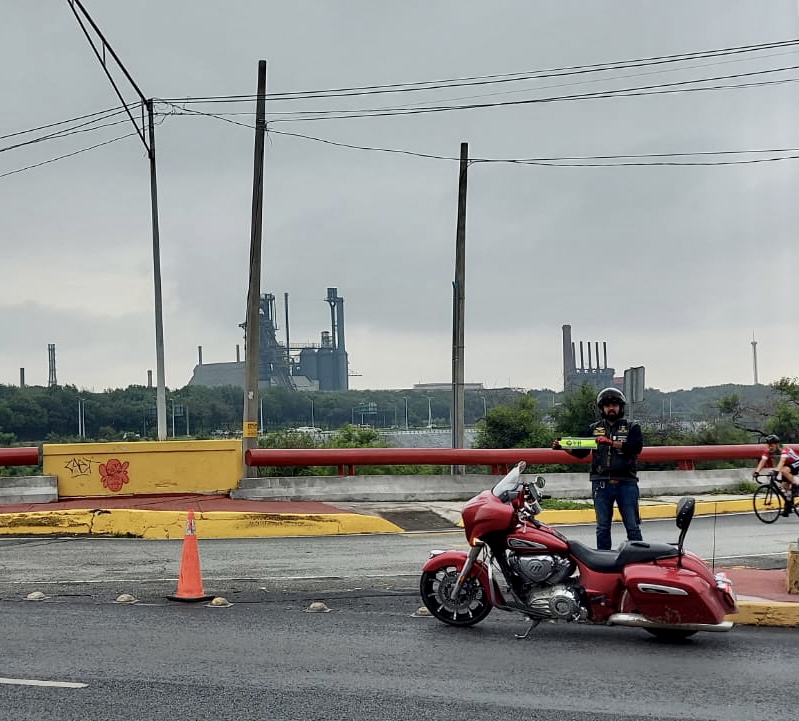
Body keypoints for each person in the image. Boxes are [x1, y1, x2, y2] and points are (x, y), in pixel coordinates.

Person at [552, 387, 644, 550]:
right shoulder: (593, 428)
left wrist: (611, 443)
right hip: (601, 483)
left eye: (615, 405)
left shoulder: (632, 427)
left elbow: (635, 448)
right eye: (607, 405)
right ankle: (604, 562)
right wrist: (564, 447)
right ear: (602, 408)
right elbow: (582, 453)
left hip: (627, 483)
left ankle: (638, 562)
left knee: (632, 526)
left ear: (621, 407)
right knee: (602, 528)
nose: (611, 408)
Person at [752, 434, 799, 517]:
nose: (769, 446)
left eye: (771, 444)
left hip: (795, 463)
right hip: (787, 466)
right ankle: (788, 507)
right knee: (785, 486)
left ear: (776, 444)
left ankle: (796, 487)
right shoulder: (768, 451)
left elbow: (782, 462)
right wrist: (757, 472)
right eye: (768, 444)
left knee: (783, 470)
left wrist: (776, 471)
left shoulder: (784, 449)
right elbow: (762, 461)